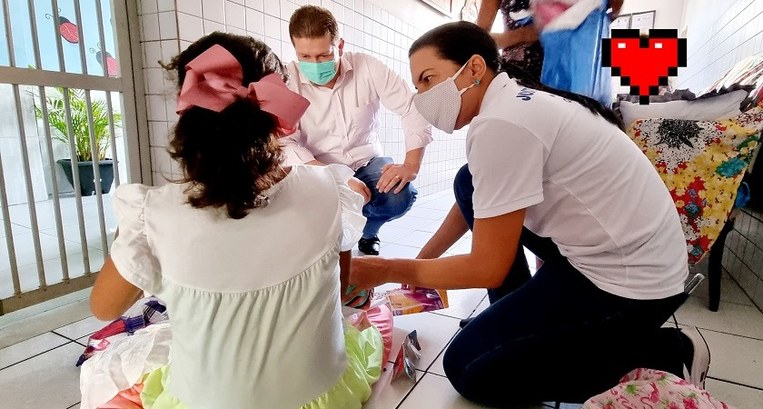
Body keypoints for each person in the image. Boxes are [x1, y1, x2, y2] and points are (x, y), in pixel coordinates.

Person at [347, 22, 710, 405]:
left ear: (473, 68)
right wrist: (424, 259)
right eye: (417, 86)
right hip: (615, 254)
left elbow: (488, 267)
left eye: (428, 79)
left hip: (630, 288)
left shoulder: (502, 124)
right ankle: (515, 320)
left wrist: (387, 268)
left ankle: (666, 352)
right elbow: (478, 198)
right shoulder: (515, 103)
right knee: (468, 181)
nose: (422, 97)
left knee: (468, 369)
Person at [89, 32, 384, 408]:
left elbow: (103, 308)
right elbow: (342, 287)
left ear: (188, 112)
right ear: (275, 111)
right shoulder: (329, 189)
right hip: (320, 394)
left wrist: (131, 237)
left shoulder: (153, 212)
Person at [282, 5, 433, 255]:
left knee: (399, 195)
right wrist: (338, 178)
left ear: (339, 46)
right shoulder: (288, 81)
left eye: (323, 55)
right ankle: (336, 243)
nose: (314, 64)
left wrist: (411, 164)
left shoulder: (367, 67)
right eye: (305, 57)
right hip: (318, 167)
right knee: (315, 214)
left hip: (366, 161)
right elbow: (285, 142)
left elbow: (412, 107)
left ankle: (367, 232)